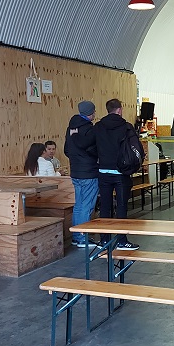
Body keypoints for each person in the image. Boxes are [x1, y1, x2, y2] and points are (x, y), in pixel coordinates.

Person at [78, 98, 143, 250]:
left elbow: (87, 145)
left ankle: (104, 241)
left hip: (103, 172)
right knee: (121, 207)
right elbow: (136, 147)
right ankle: (121, 241)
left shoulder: (98, 126)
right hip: (121, 172)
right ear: (119, 110)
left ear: (108, 110)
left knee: (105, 208)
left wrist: (100, 155)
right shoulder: (126, 127)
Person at [64, 100, 99, 248]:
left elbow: (66, 150)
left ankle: (76, 236)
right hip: (89, 172)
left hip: (75, 172)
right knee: (87, 206)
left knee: (78, 205)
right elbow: (93, 150)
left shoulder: (71, 128)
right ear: (91, 113)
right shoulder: (90, 129)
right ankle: (82, 237)